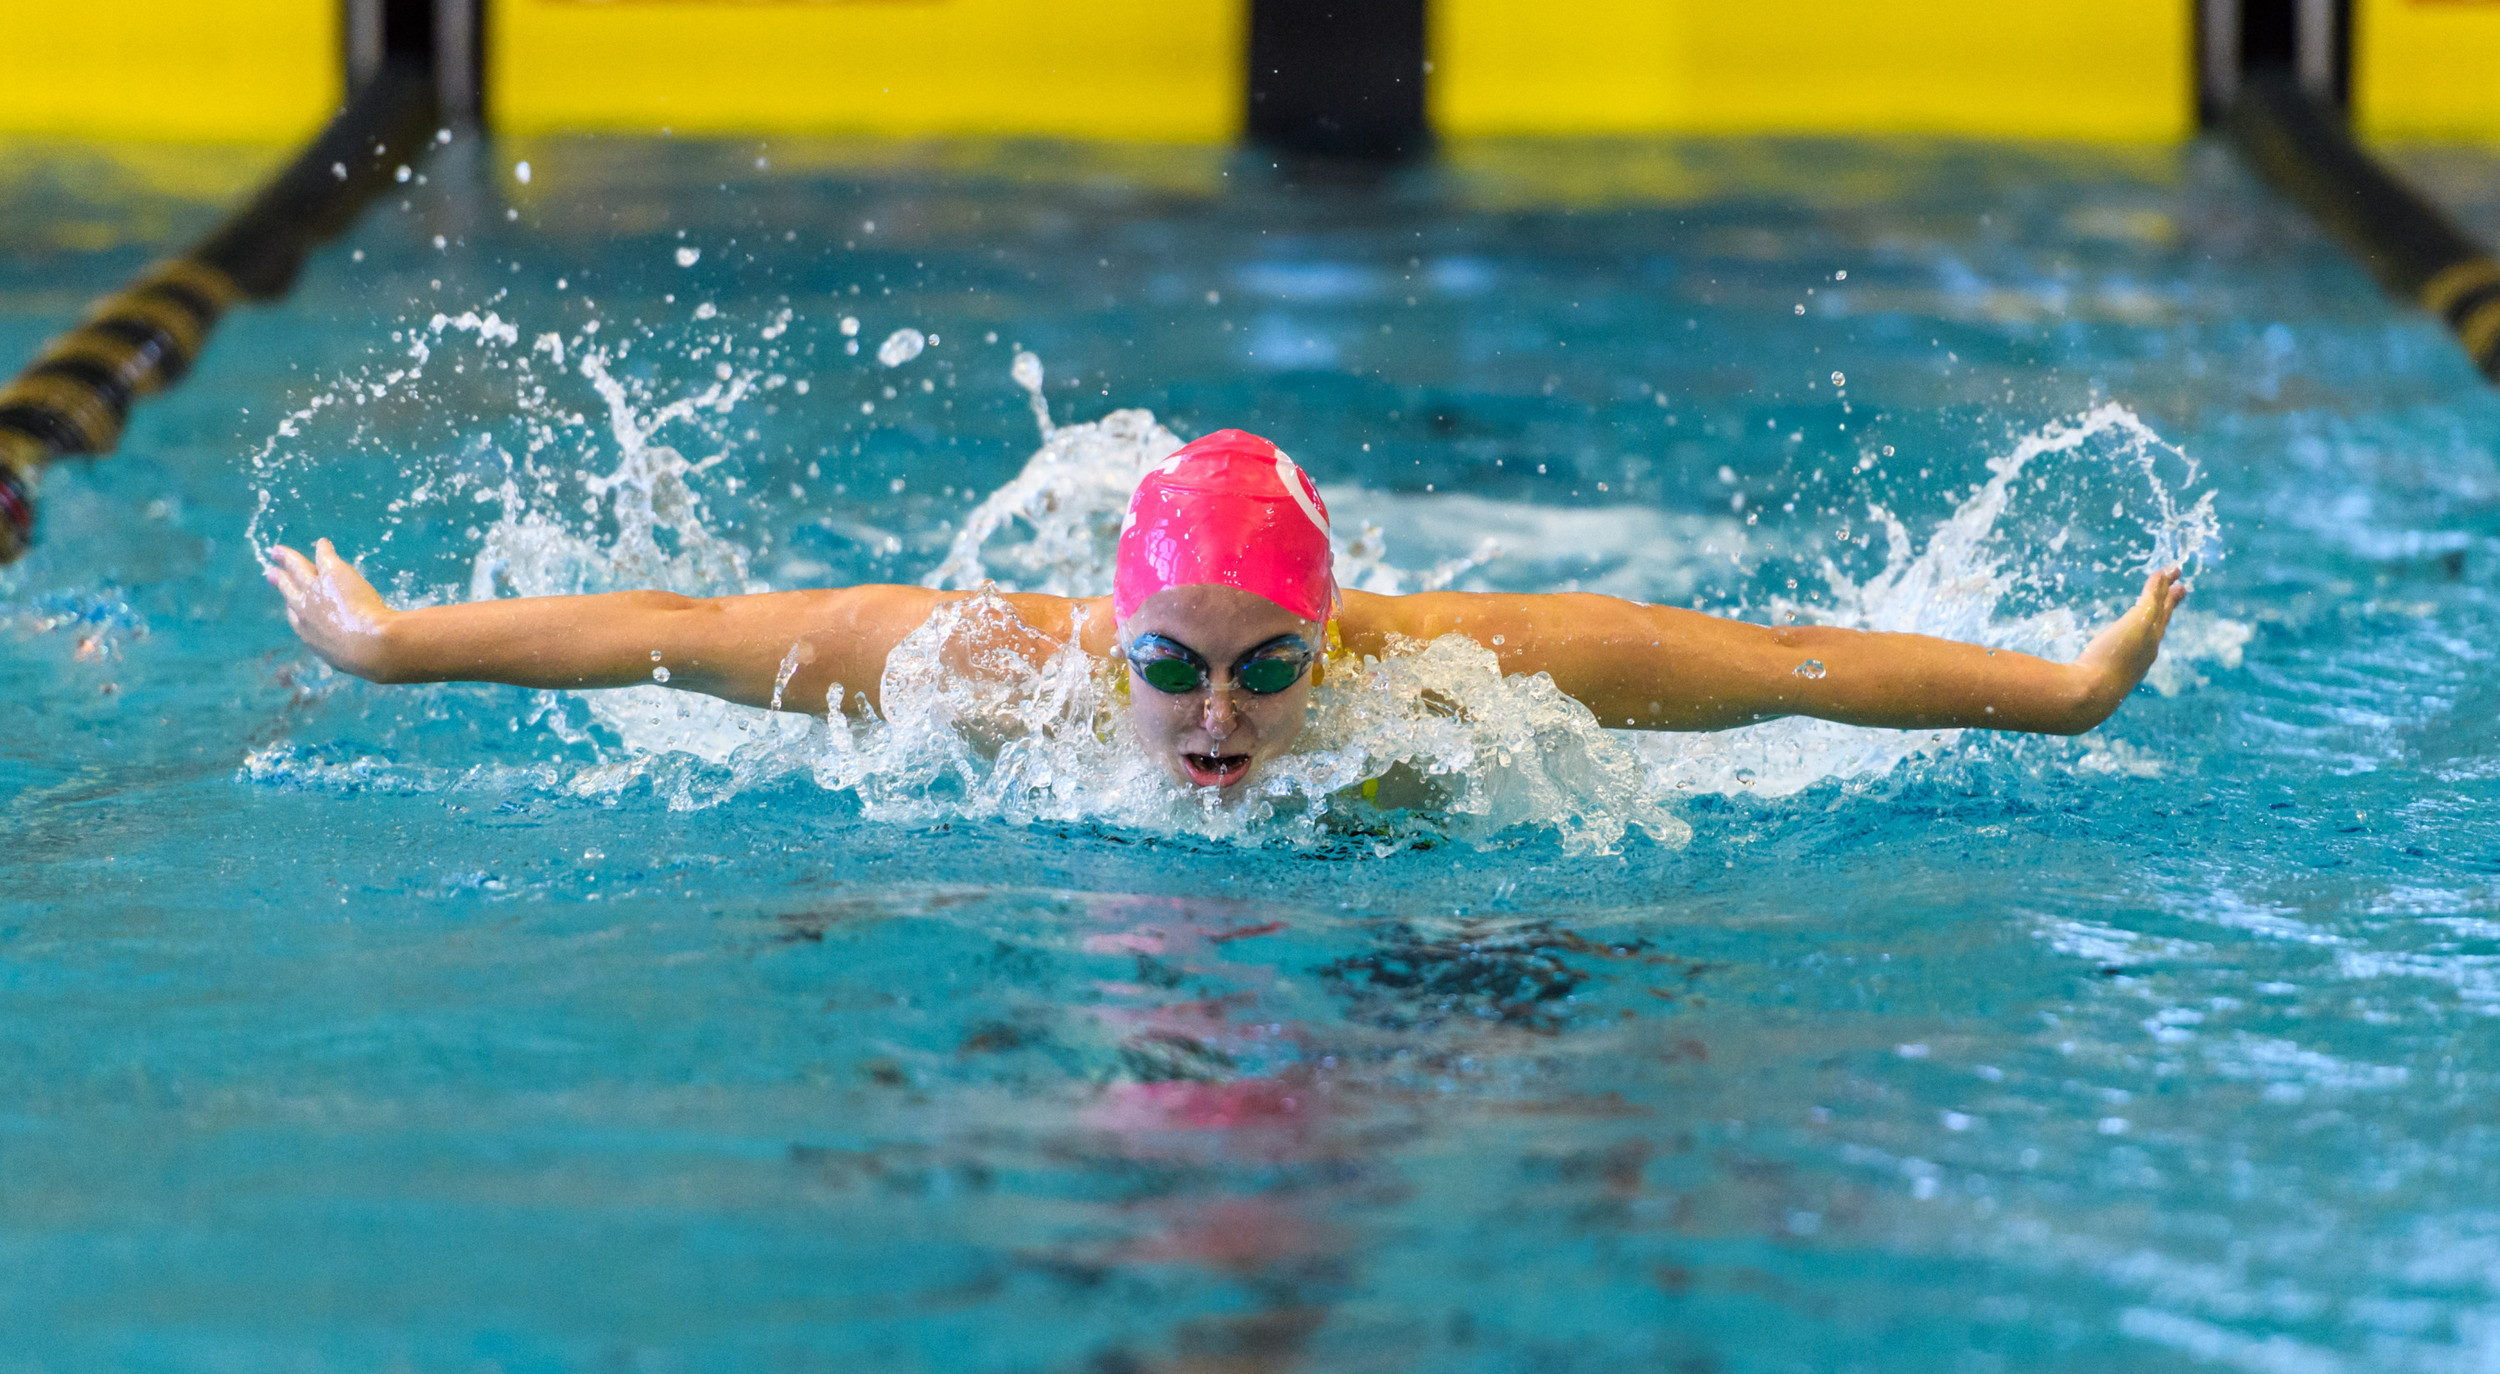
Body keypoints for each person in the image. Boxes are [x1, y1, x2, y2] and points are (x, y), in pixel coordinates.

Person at [265, 428, 2187, 793]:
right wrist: (394, 641)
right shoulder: (988, 673)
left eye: (1272, 668)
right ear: (1109, 641)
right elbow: (675, 632)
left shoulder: (1461, 674)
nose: (1216, 718)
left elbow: (1789, 673)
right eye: (1172, 669)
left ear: (1329, 644)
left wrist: (2069, 689)